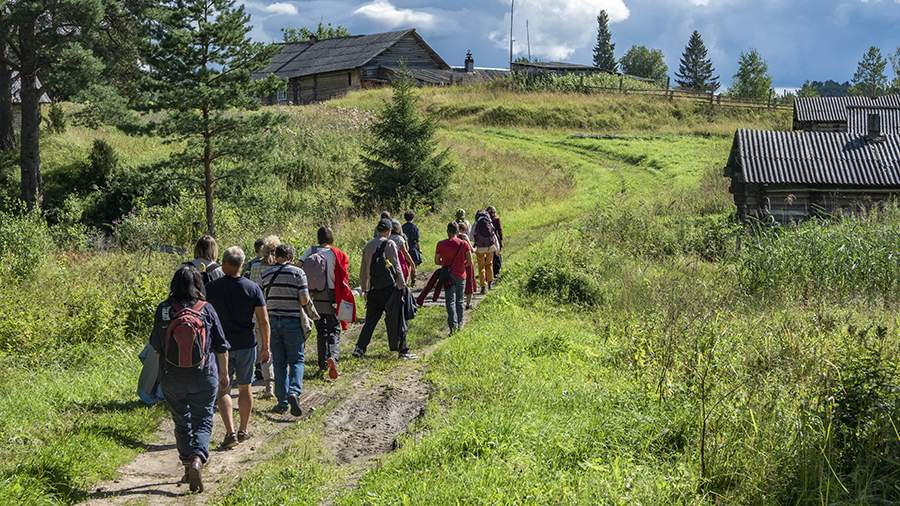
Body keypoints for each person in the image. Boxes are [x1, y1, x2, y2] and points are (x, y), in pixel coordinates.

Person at [149, 265, 229, 494]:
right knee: (203, 419)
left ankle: (186, 463)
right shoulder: (206, 309)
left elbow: (156, 345)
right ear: (199, 284)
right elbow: (221, 345)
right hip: (204, 375)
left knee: (181, 420)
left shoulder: (164, 309)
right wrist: (224, 374)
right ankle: (197, 459)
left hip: (171, 376)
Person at [206, 246, 270, 449]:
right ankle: (243, 429)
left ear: (224, 264)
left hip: (220, 346)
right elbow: (263, 321)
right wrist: (266, 347)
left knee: (223, 388)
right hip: (246, 344)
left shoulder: (211, 288)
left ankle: (230, 432)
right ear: (242, 265)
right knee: (245, 387)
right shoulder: (253, 288)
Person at [354, 218, 415, 360]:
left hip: (373, 289)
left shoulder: (368, 245)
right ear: (389, 231)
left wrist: (364, 289)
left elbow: (363, 270)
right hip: (390, 289)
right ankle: (402, 350)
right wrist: (402, 285)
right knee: (397, 319)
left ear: (377, 229)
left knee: (370, 321)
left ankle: (360, 348)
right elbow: (396, 265)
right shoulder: (390, 243)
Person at [261, 244, 311, 416]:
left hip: (272, 322)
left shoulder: (265, 274)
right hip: (292, 321)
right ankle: (294, 392)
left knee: (279, 363)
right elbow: (304, 300)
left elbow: (262, 299)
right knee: (296, 360)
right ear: (291, 257)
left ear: (276, 256)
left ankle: (282, 402)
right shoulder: (298, 273)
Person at [300, 227, 355, 380]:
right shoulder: (337, 253)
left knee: (321, 331)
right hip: (332, 296)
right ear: (331, 238)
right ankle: (333, 357)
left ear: (318, 238)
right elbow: (343, 276)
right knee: (334, 329)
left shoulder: (310, 251)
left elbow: (298, 268)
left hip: (315, 296)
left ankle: (322, 364)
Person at [248, 236, 280, 398]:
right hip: (279, 311)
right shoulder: (282, 267)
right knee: (279, 348)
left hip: (260, 314)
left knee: (263, 349)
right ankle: (281, 380)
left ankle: (269, 386)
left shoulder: (255, 267)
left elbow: (253, 293)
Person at [436, 222, 474, 334]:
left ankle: (453, 327)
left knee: (450, 301)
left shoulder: (441, 244)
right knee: (460, 300)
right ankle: (460, 324)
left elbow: (437, 261)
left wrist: (445, 264)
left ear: (447, 231)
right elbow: (470, 261)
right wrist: (461, 265)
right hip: (461, 275)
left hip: (448, 276)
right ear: (457, 231)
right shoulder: (464, 244)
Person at [472, 210, 498, 295]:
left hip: (480, 248)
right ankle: (490, 283)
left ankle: (483, 286)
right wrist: (497, 247)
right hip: (490, 247)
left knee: (481, 267)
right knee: (489, 264)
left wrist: (473, 246)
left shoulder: (476, 223)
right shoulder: (489, 221)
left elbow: (472, 236)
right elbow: (493, 234)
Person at [457, 222, 477, 310]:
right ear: (464, 230)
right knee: (469, 283)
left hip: (458, 263)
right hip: (467, 262)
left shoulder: (454, 237)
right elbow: (471, 250)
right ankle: (468, 304)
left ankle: (459, 302)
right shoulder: (464, 237)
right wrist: (476, 248)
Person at [391, 219, 417, 286]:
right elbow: (405, 252)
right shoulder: (399, 238)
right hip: (399, 260)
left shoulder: (386, 238)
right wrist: (412, 263)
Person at [487, 206, 503, 278]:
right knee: (497, 254)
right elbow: (499, 230)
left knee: (490, 255)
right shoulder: (496, 219)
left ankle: (490, 271)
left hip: (487, 240)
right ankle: (497, 270)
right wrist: (501, 239)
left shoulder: (486, 220)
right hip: (495, 238)